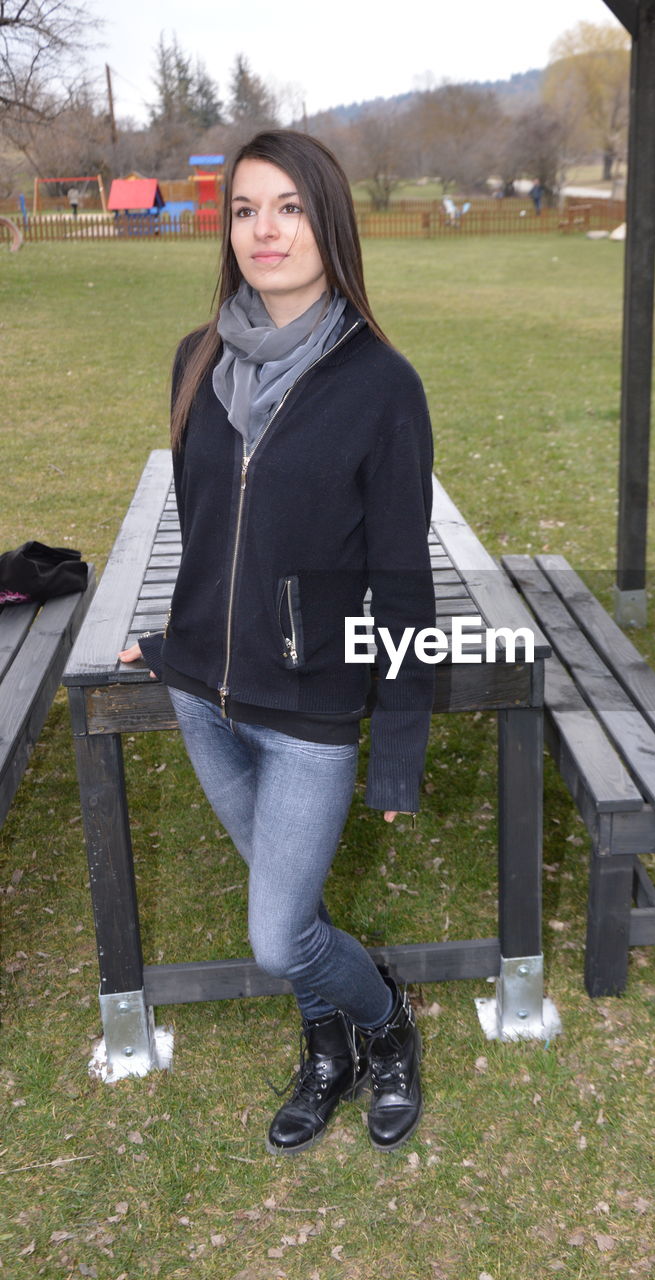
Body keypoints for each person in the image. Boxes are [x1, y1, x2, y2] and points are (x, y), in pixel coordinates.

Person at [118, 129, 436, 1156]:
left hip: (307, 712)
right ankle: (327, 1043)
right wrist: (172, 641)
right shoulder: (194, 359)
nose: (265, 229)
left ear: (327, 223)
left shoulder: (382, 385)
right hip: (205, 699)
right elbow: (205, 525)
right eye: (247, 208)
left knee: (275, 932)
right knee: (286, 910)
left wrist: (398, 736)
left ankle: (382, 1019)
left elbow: (401, 578)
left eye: (289, 207)